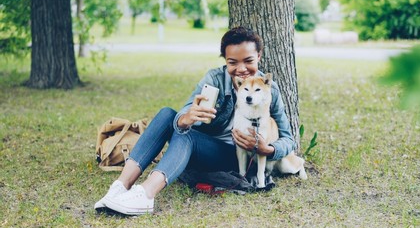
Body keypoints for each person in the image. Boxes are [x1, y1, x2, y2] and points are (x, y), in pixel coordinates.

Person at [94, 26, 296, 215]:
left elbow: (288, 139)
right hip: (206, 148)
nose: (241, 69)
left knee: (187, 136)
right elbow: (183, 113)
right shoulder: (215, 79)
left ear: (259, 56)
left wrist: (268, 150)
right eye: (232, 62)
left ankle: (146, 195)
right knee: (168, 114)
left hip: (237, 156)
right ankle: (120, 187)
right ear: (225, 60)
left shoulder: (269, 90)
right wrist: (186, 118)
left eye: (248, 61)